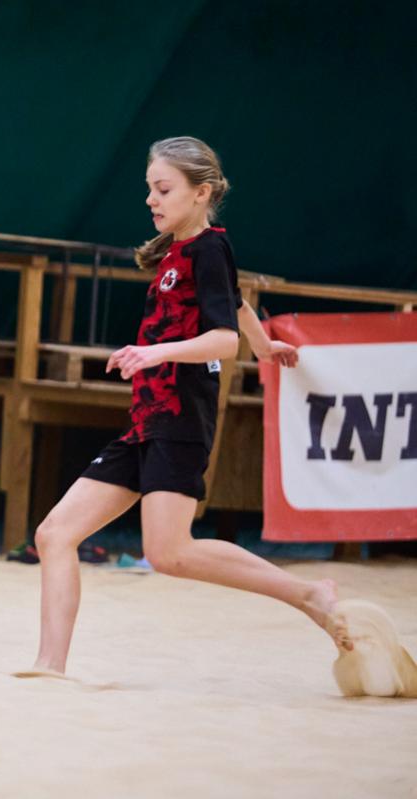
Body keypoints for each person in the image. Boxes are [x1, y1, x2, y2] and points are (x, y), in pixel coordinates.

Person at [25, 136, 350, 676]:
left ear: (201, 193)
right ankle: (48, 667)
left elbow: (222, 339)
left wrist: (153, 353)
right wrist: (265, 345)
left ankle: (309, 594)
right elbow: (234, 303)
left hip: (180, 419)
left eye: (163, 189)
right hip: (146, 421)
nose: (151, 199)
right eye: (149, 189)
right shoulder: (178, 251)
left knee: (170, 553)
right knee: (54, 534)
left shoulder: (208, 248)